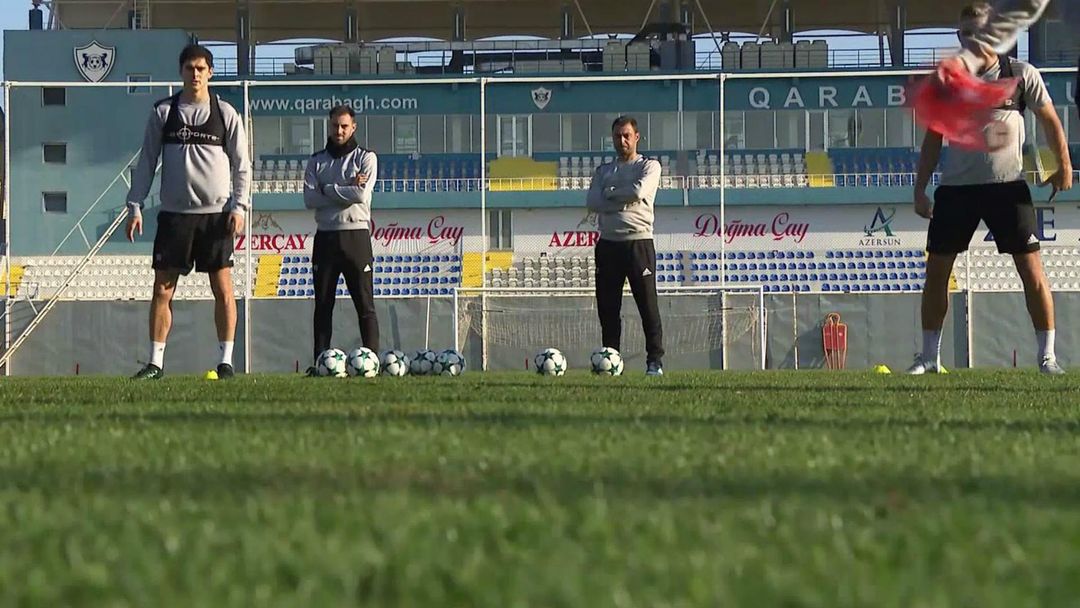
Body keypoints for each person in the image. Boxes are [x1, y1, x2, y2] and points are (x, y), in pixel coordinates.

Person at [909, 2, 1072, 375]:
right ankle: (929, 358)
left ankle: (1047, 358)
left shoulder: (1021, 74)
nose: (972, 39)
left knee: (1031, 271)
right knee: (937, 272)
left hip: (1007, 189)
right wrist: (920, 188)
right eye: (965, 33)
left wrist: (1064, 165)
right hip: (956, 190)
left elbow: (1050, 120)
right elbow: (933, 138)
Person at [125, 43, 250, 380]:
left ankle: (225, 362)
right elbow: (147, 161)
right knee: (162, 289)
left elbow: (242, 165)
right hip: (174, 216)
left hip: (216, 216)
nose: (195, 74)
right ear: (180, 72)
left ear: (210, 73)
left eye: (201, 69)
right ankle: (155, 363)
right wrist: (135, 205)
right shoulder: (164, 112)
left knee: (223, 289)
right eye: (189, 68)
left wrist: (239, 206)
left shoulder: (225, 113)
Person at [303, 105, 380, 374]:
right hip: (326, 237)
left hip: (356, 236)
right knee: (323, 305)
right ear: (329, 125)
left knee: (365, 304)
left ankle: (372, 362)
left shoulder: (366, 158)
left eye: (344, 126)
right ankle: (320, 364)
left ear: (353, 127)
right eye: (335, 125)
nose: (339, 131)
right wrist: (346, 187)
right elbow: (309, 199)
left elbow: (360, 195)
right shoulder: (316, 161)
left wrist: (327, 188)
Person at [586, 116, 664, 376]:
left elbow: (638, 192)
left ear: (636, 137)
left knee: (647, 306)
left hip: (638, 243)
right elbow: (593, 202)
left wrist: (610, 193)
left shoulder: (649, 166)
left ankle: (654, 362)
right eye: (618, 136)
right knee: (608, 309)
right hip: (608, 244)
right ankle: (611, 361)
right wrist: (623, 197)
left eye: (627, 135)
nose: (622, 141)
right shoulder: (603, 171)